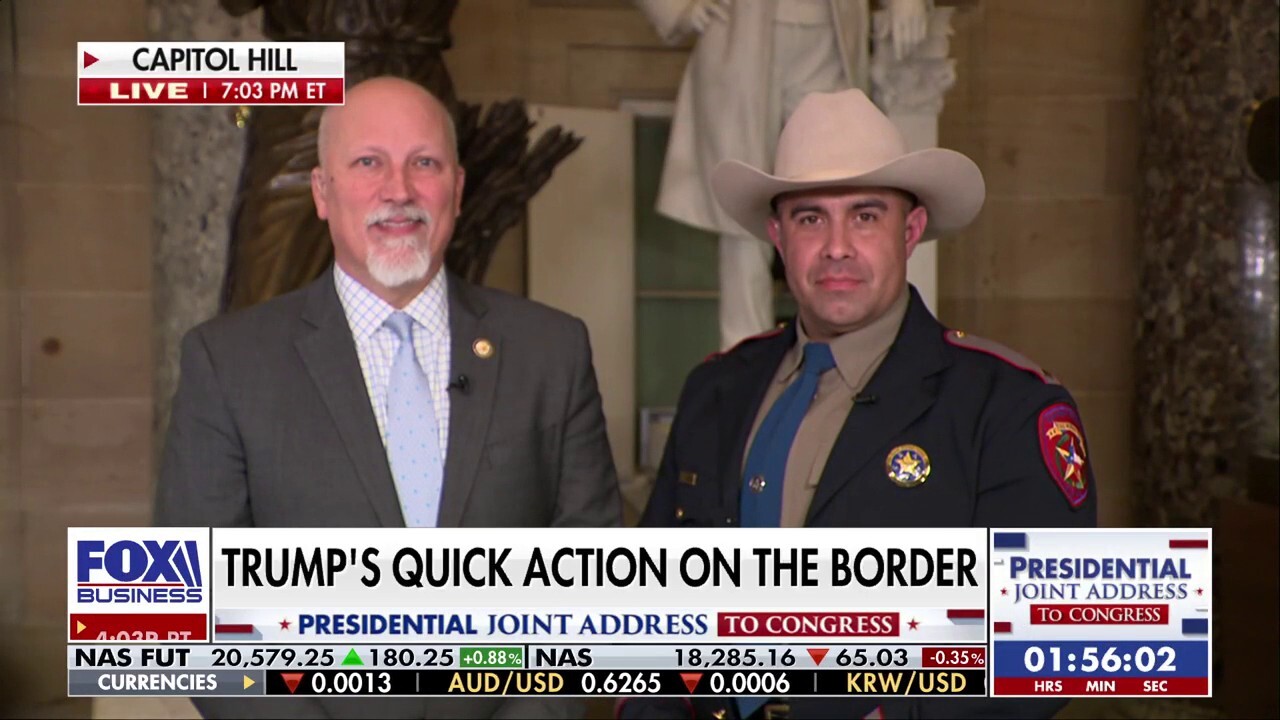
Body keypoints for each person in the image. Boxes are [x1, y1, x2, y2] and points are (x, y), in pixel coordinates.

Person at [156, 76, 621, 719]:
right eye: (368, 162)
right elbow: (198, 606)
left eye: (423, 163)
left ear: (458, 188)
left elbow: (591, 582)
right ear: (323, 192)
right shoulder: (228, 362)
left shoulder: (552, 351)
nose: (398, 190)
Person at [624, 89, 1097, 719]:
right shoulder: (716, 389)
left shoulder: (1007, 405)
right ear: (777, 236)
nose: (837, 246)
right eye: (810, 218)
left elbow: (1050, 644)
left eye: (866, 216)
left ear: (911, 231)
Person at [635, 0, 927, 350]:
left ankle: (852, 358)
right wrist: (677, 7)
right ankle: (745, 356)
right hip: (740, 32)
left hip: (831, 29)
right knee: (743, 212)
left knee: (843, 181)